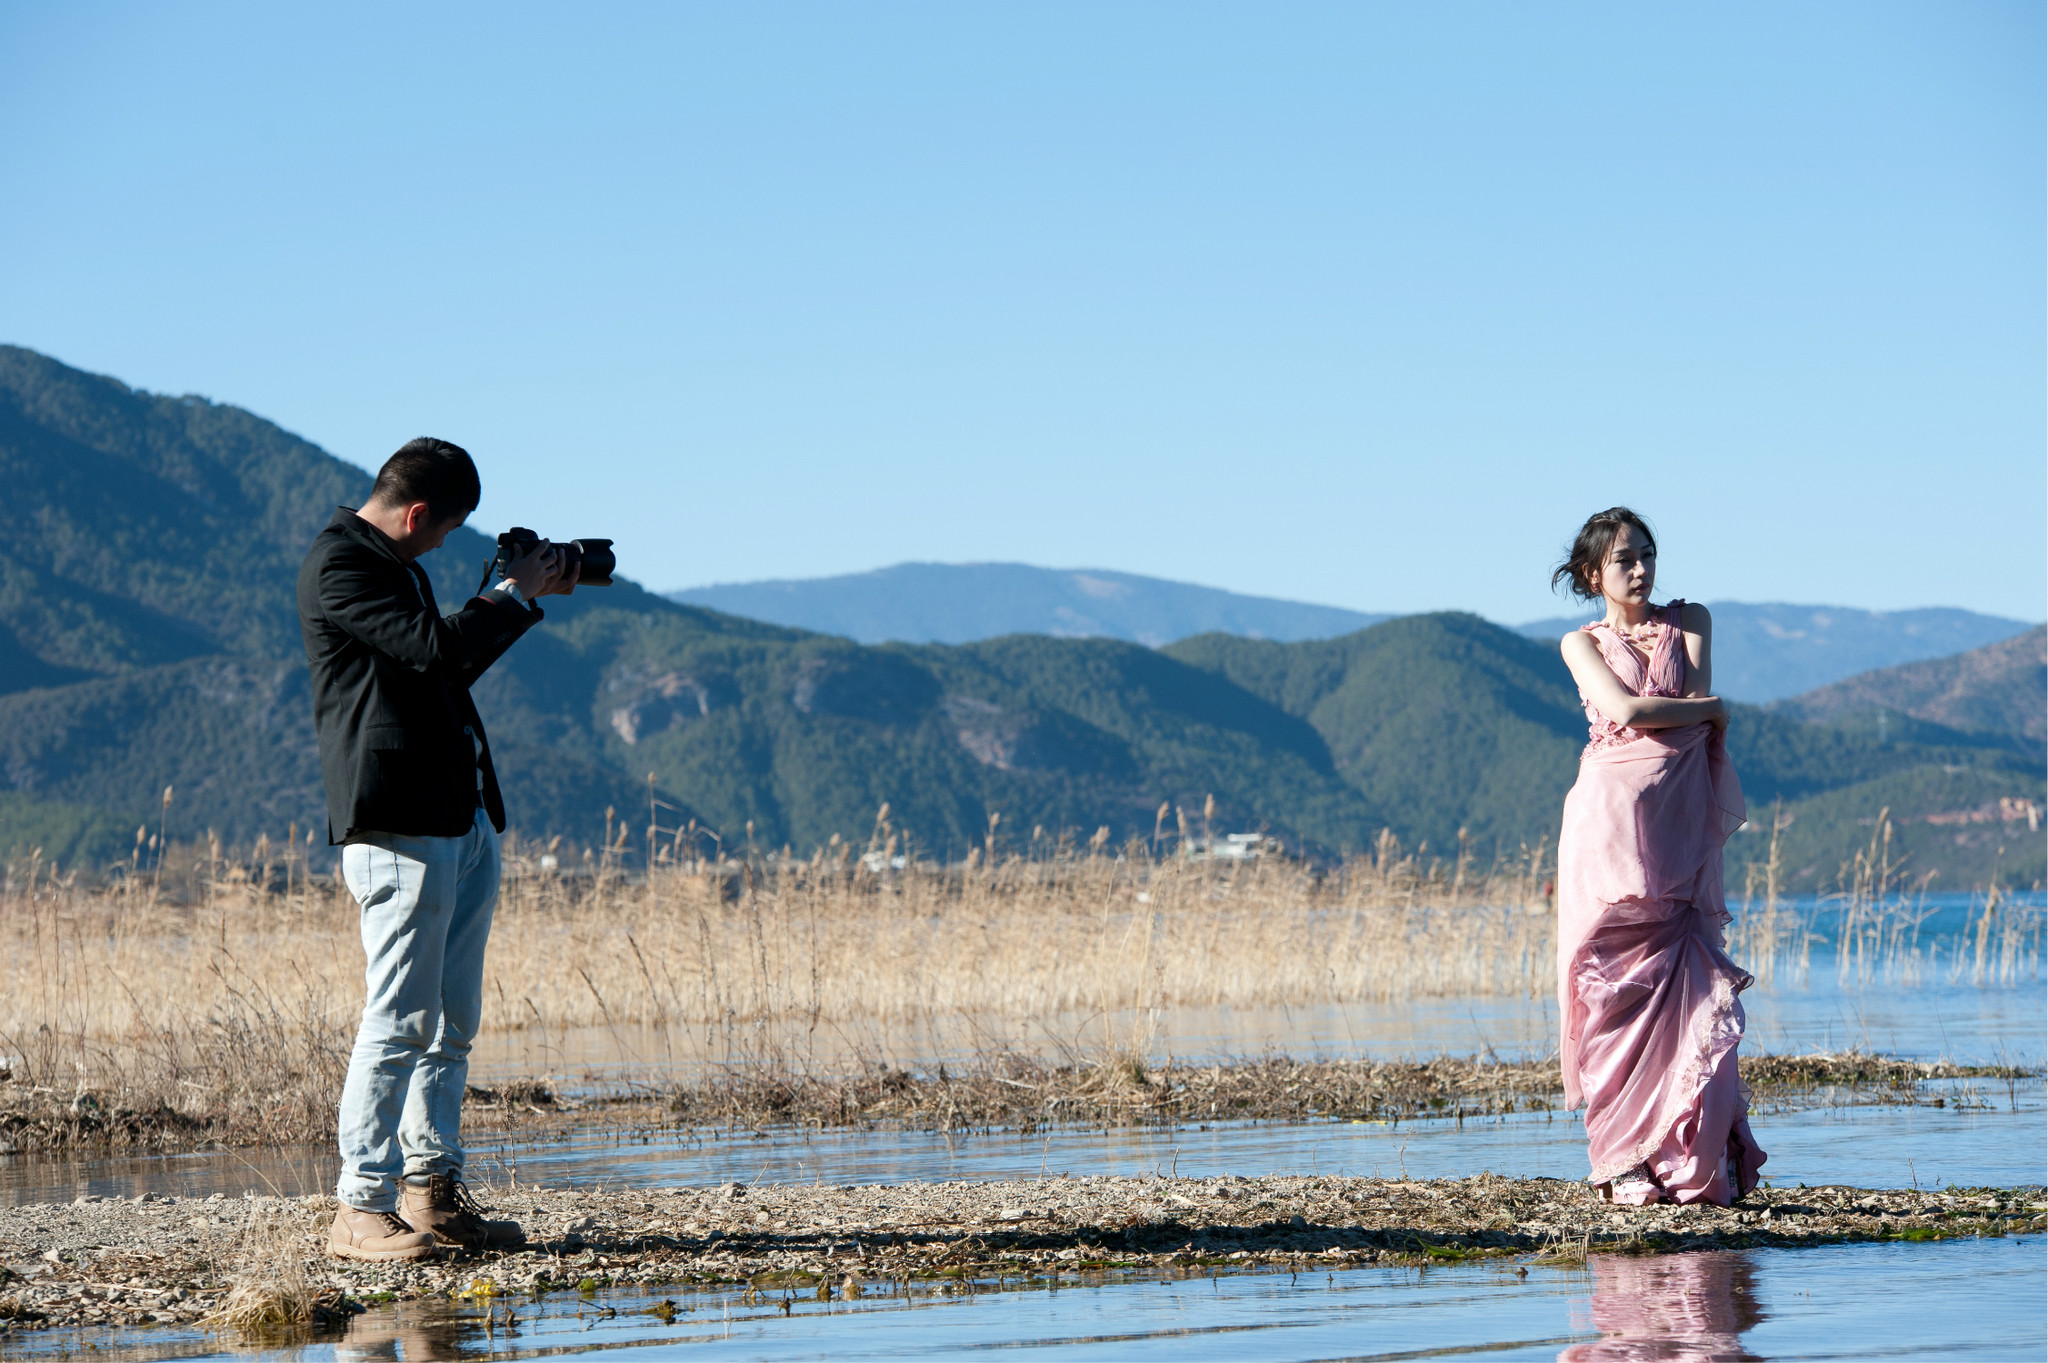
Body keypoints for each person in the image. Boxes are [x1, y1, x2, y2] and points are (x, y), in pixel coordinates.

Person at [298, 438, 576, 1261]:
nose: (445, 543)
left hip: (456, 817)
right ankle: (360, 1206)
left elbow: (438, 665)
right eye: (447, 530)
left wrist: (512, 598)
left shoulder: (394, 563)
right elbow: (436, 650)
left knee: (452, 1017)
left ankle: (431, 1190)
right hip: (398, 825)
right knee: (400, 1016)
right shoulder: (341, 565)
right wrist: (508, 592)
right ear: (418, 513)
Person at [1552, 507, 1764, 1207]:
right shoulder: (1578, 643)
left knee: (1695, 992)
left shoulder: (1691, 618)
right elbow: (1635, 709)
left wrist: (1704, 706)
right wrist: (1709, 708)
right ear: (1593, 575)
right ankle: (1621, 1159)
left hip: (1679, 824)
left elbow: (1693, 695)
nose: (1640, 568)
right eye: (1623, 560)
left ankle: (1696, 1155)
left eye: (1647, 554)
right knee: (1616, 990)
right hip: (1608, 823)